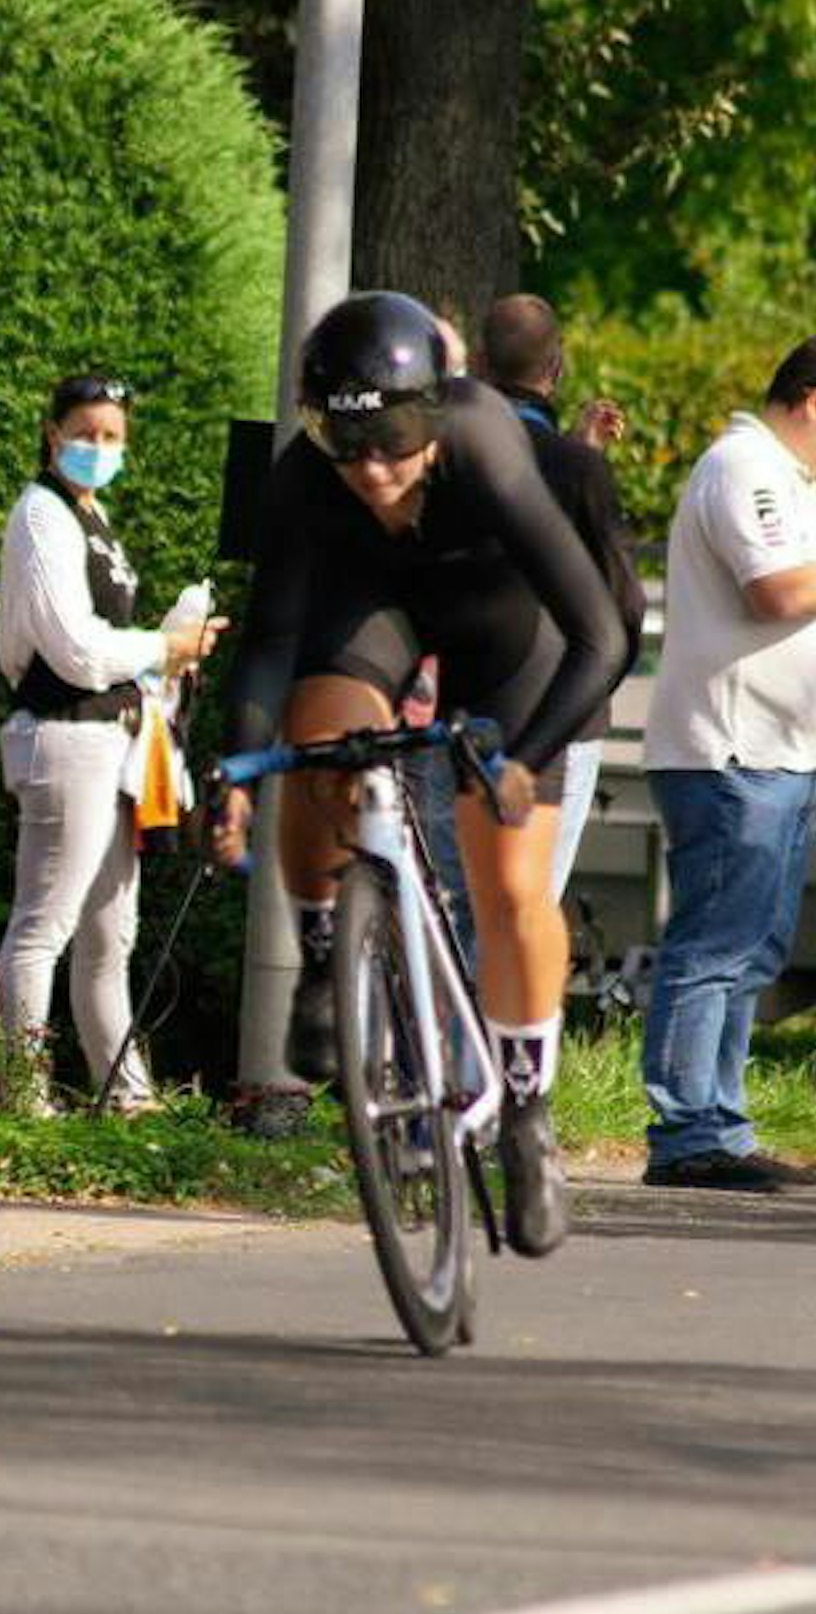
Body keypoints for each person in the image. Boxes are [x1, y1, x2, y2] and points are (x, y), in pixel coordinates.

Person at [211, 292, 626, 1256]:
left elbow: (601, 635)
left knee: (513, 881)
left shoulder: (483, 441)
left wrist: (522, 763)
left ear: (432, 416)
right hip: (380, 612)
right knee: (319, 737)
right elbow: (271, 641)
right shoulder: (307, 480)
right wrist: (230, 767)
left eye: (395, 443)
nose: (374, 473)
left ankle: (527, 1114)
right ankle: (327, 952)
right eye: (348, 447)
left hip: (506, 627)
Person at [640, 333, 816, 1192]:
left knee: (750, 948)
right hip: (735, 749)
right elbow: (778, 592)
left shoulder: (782, 479)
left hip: (773, 750)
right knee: (717, 945)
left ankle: (719, 1123)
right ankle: (691, 1134)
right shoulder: (746, 470)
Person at [0, 373, 225, 1117]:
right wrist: (163, 644)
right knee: (45, 926)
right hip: (66, 736)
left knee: (109, 937)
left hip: (112, 741)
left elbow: (103, 645)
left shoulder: (93, 516)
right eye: (85, 434)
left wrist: (173, 654)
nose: (98, 448)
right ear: (52, 433)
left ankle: (125, 1098)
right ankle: (16, 1096)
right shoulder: (43, 516)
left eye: (112, 437)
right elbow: (74, 650)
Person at [411, 293, 646, 964]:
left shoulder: (438, 455)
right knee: (525, 904)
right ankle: (508, 1059)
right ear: (559, 367)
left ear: (480, 363)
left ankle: (436, 1055)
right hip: (561, 713)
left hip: (458, 700)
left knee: (450, 901)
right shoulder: (578, 470)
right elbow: (620, 608)